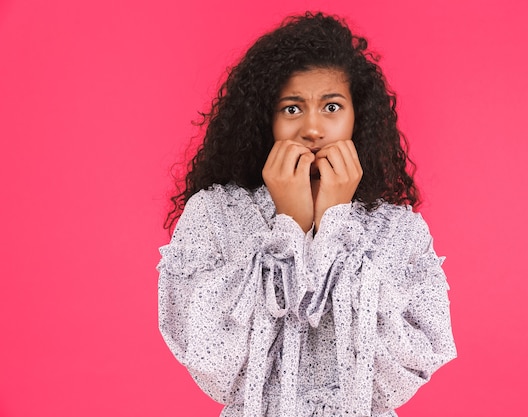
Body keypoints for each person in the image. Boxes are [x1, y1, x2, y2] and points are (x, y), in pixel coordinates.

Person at [158, 12, 456, 417]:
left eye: (331, 106)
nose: (313, 129)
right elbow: (214, 364)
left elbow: (400, 374)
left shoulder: (399, 230)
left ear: (358, 119)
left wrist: (336, 222)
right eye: (292, 109)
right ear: (266, 119)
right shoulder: (214, 214)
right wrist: (289, 227)